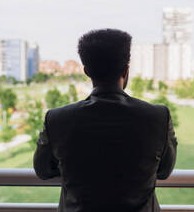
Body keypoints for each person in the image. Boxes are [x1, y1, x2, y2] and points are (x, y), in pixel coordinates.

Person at [33, 29, 177, 212]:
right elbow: (164, 171)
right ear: (126, 69)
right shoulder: (158, 117)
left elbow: (43, 170)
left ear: (86, 71)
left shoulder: (57, 119)